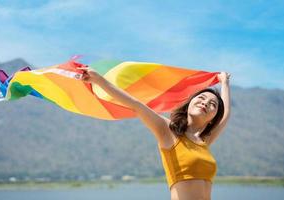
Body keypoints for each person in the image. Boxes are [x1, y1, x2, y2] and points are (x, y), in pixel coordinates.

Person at [78, 65, 231, 200]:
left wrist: (224, 83)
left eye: (213, 104)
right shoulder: (168, 131)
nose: (205, 103)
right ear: (190, 103)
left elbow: (226, 115)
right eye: (201, 97)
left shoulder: (204, 141)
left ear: (213, 118)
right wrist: (98, 80)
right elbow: (135, 105)